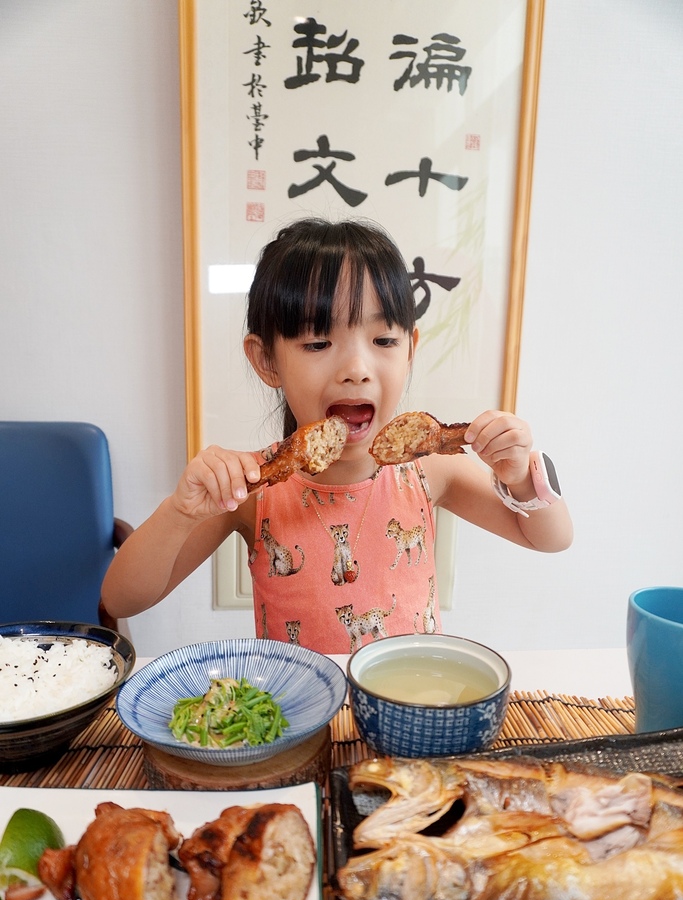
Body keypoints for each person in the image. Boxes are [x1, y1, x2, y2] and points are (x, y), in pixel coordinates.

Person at [101, 218, 573, 654]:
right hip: (302, 718)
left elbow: (550, 539)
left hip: (409, 711)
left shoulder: (430, 471)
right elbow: (121, 598)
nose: (355, 370)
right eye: (318, 343)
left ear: (410, 348)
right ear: (267, 361)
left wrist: (519, 477)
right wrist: (181, 512)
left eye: (383, 341)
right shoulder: (251, 489)